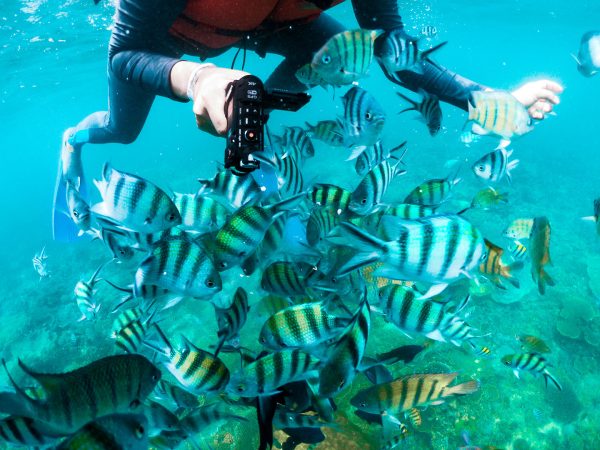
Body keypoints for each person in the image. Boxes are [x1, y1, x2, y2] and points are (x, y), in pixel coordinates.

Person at [53, 0, 563, 241]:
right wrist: (196, 79)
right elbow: (125, 54)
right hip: (172, 45)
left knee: (334, 52)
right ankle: (72, 141)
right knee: (123, 130)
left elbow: (392, 52)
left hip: (276, 26)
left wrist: (483, 100)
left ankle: (252, 137)